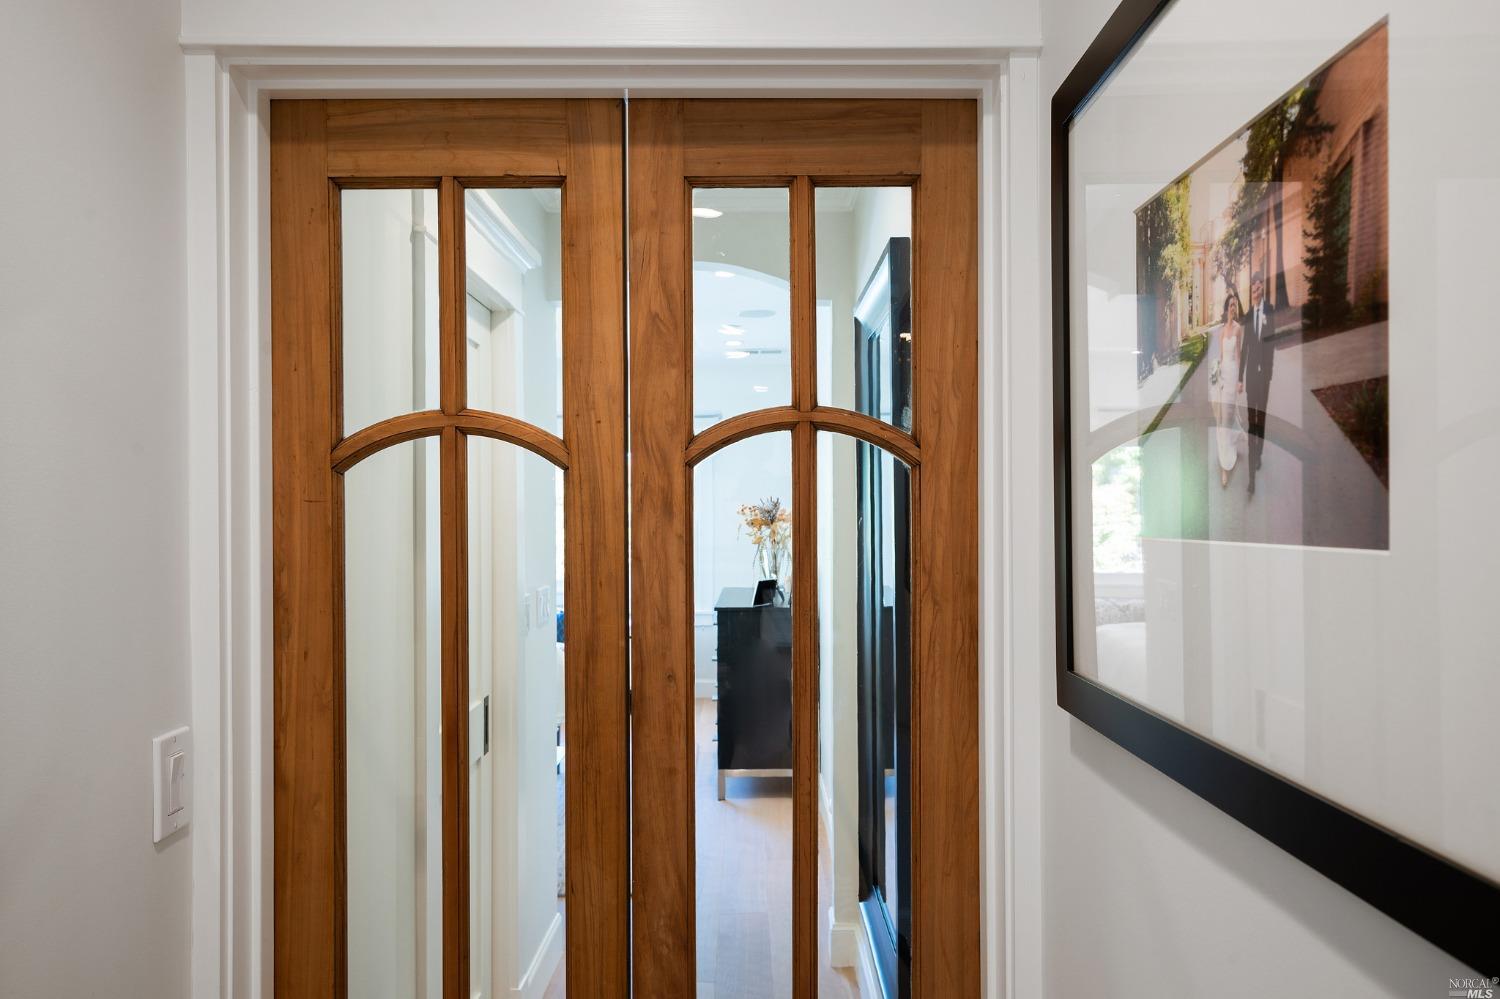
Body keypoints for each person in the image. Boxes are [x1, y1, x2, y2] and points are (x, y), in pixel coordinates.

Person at [1237, 270, 1277, 495]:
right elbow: (1244, 349)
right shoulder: (1248, 314)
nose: (1256, 289)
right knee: (1253, 420)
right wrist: (1241, 377)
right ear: (1250, 291)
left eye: (1259, 286)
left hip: (1264, 377)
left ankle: (1259, 452)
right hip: (1251, 376)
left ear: (1263, 288)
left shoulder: (1269, 310)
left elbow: (1272, 341)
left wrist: (1269, 372)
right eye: (1253, 287)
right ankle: (1252, 471)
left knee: (1262, 416)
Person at [1213, 289, 1245, 488]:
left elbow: (1238, 355)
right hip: (1223, 377)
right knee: (1222, 420)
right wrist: (1216, 374)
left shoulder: (1238, 329)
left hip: (1233, 377)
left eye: (1234, 305)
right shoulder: (1221, 332)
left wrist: (1240, 380)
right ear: (1226, 309)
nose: (1232, 308)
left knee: (1228, 417)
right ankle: (1225, 463)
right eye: (1230, 305)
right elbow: (1221, 358)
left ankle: (1227, 461)